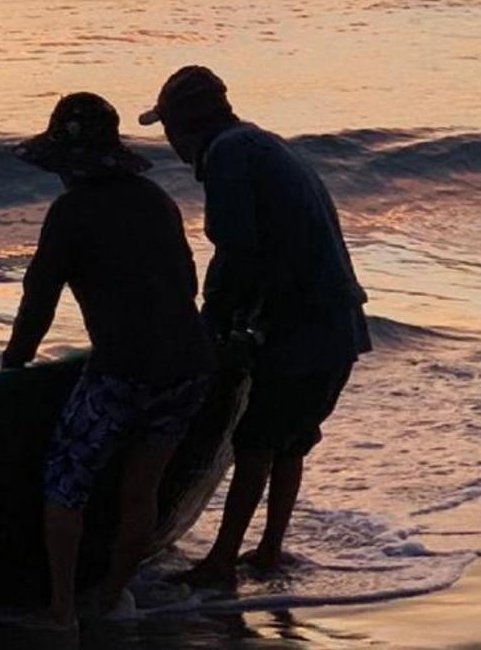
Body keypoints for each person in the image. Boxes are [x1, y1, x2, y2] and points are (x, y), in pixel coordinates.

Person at [136, 66, 370, 592]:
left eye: (168, 128)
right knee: (291, 442)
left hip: (302, 328)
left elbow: (236, 252)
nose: (169, 142)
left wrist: (208, 326)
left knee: (256, 440)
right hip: (339, 323)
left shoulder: (227, 155)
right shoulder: (263, 144)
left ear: (182, 127)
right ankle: (268, 549)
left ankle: (222, 560)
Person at [1, 92, 213, 629]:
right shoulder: (156, 199)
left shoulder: (70, 212)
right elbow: (187, 282)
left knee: (66, 482)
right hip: (189, 363)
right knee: (140, 489)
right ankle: (113, 596)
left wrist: (11, 370)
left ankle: (62, 609)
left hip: (124, 368)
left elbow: (39, 302)